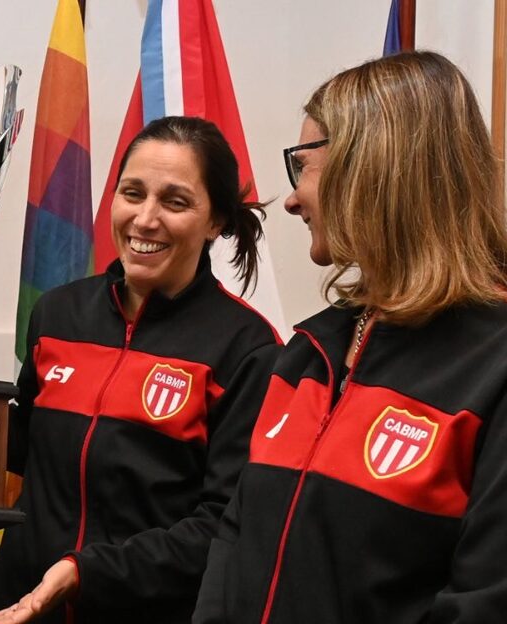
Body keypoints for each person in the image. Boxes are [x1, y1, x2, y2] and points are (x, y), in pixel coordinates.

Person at [0, 115, 281, 622]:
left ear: (216, 222)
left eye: (175, 201)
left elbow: (223, 524)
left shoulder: (247, 348)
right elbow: (22, 449)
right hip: (16, 607)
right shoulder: (58, 314)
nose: (145, 219)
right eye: (133, 193)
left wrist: (86, 572)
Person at [193, 51, 507, 624]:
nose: (290, 199)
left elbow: (482, 603)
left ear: (374, 167)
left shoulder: (493, 366)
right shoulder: (307, 353)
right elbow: (234, 536)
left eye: (302, 167)